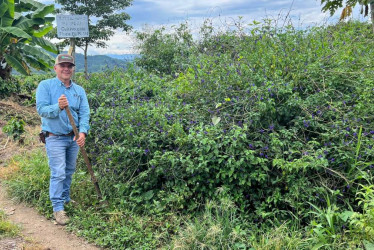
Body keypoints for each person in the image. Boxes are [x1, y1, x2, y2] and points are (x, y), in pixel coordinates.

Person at [36, 54, 90, 225]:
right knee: (58, 172)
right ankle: (58, 208)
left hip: (73, 138)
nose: (66, 69)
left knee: (69, 170)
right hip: (54, 138)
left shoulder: (78, 90)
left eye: (69, 66)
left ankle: (66, 199)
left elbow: (85, 113)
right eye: (62, 65)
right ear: (56, 68)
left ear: (73, 69)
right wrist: (57, 107)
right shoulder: (45, 86)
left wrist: (82, 133)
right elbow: (42, 110)